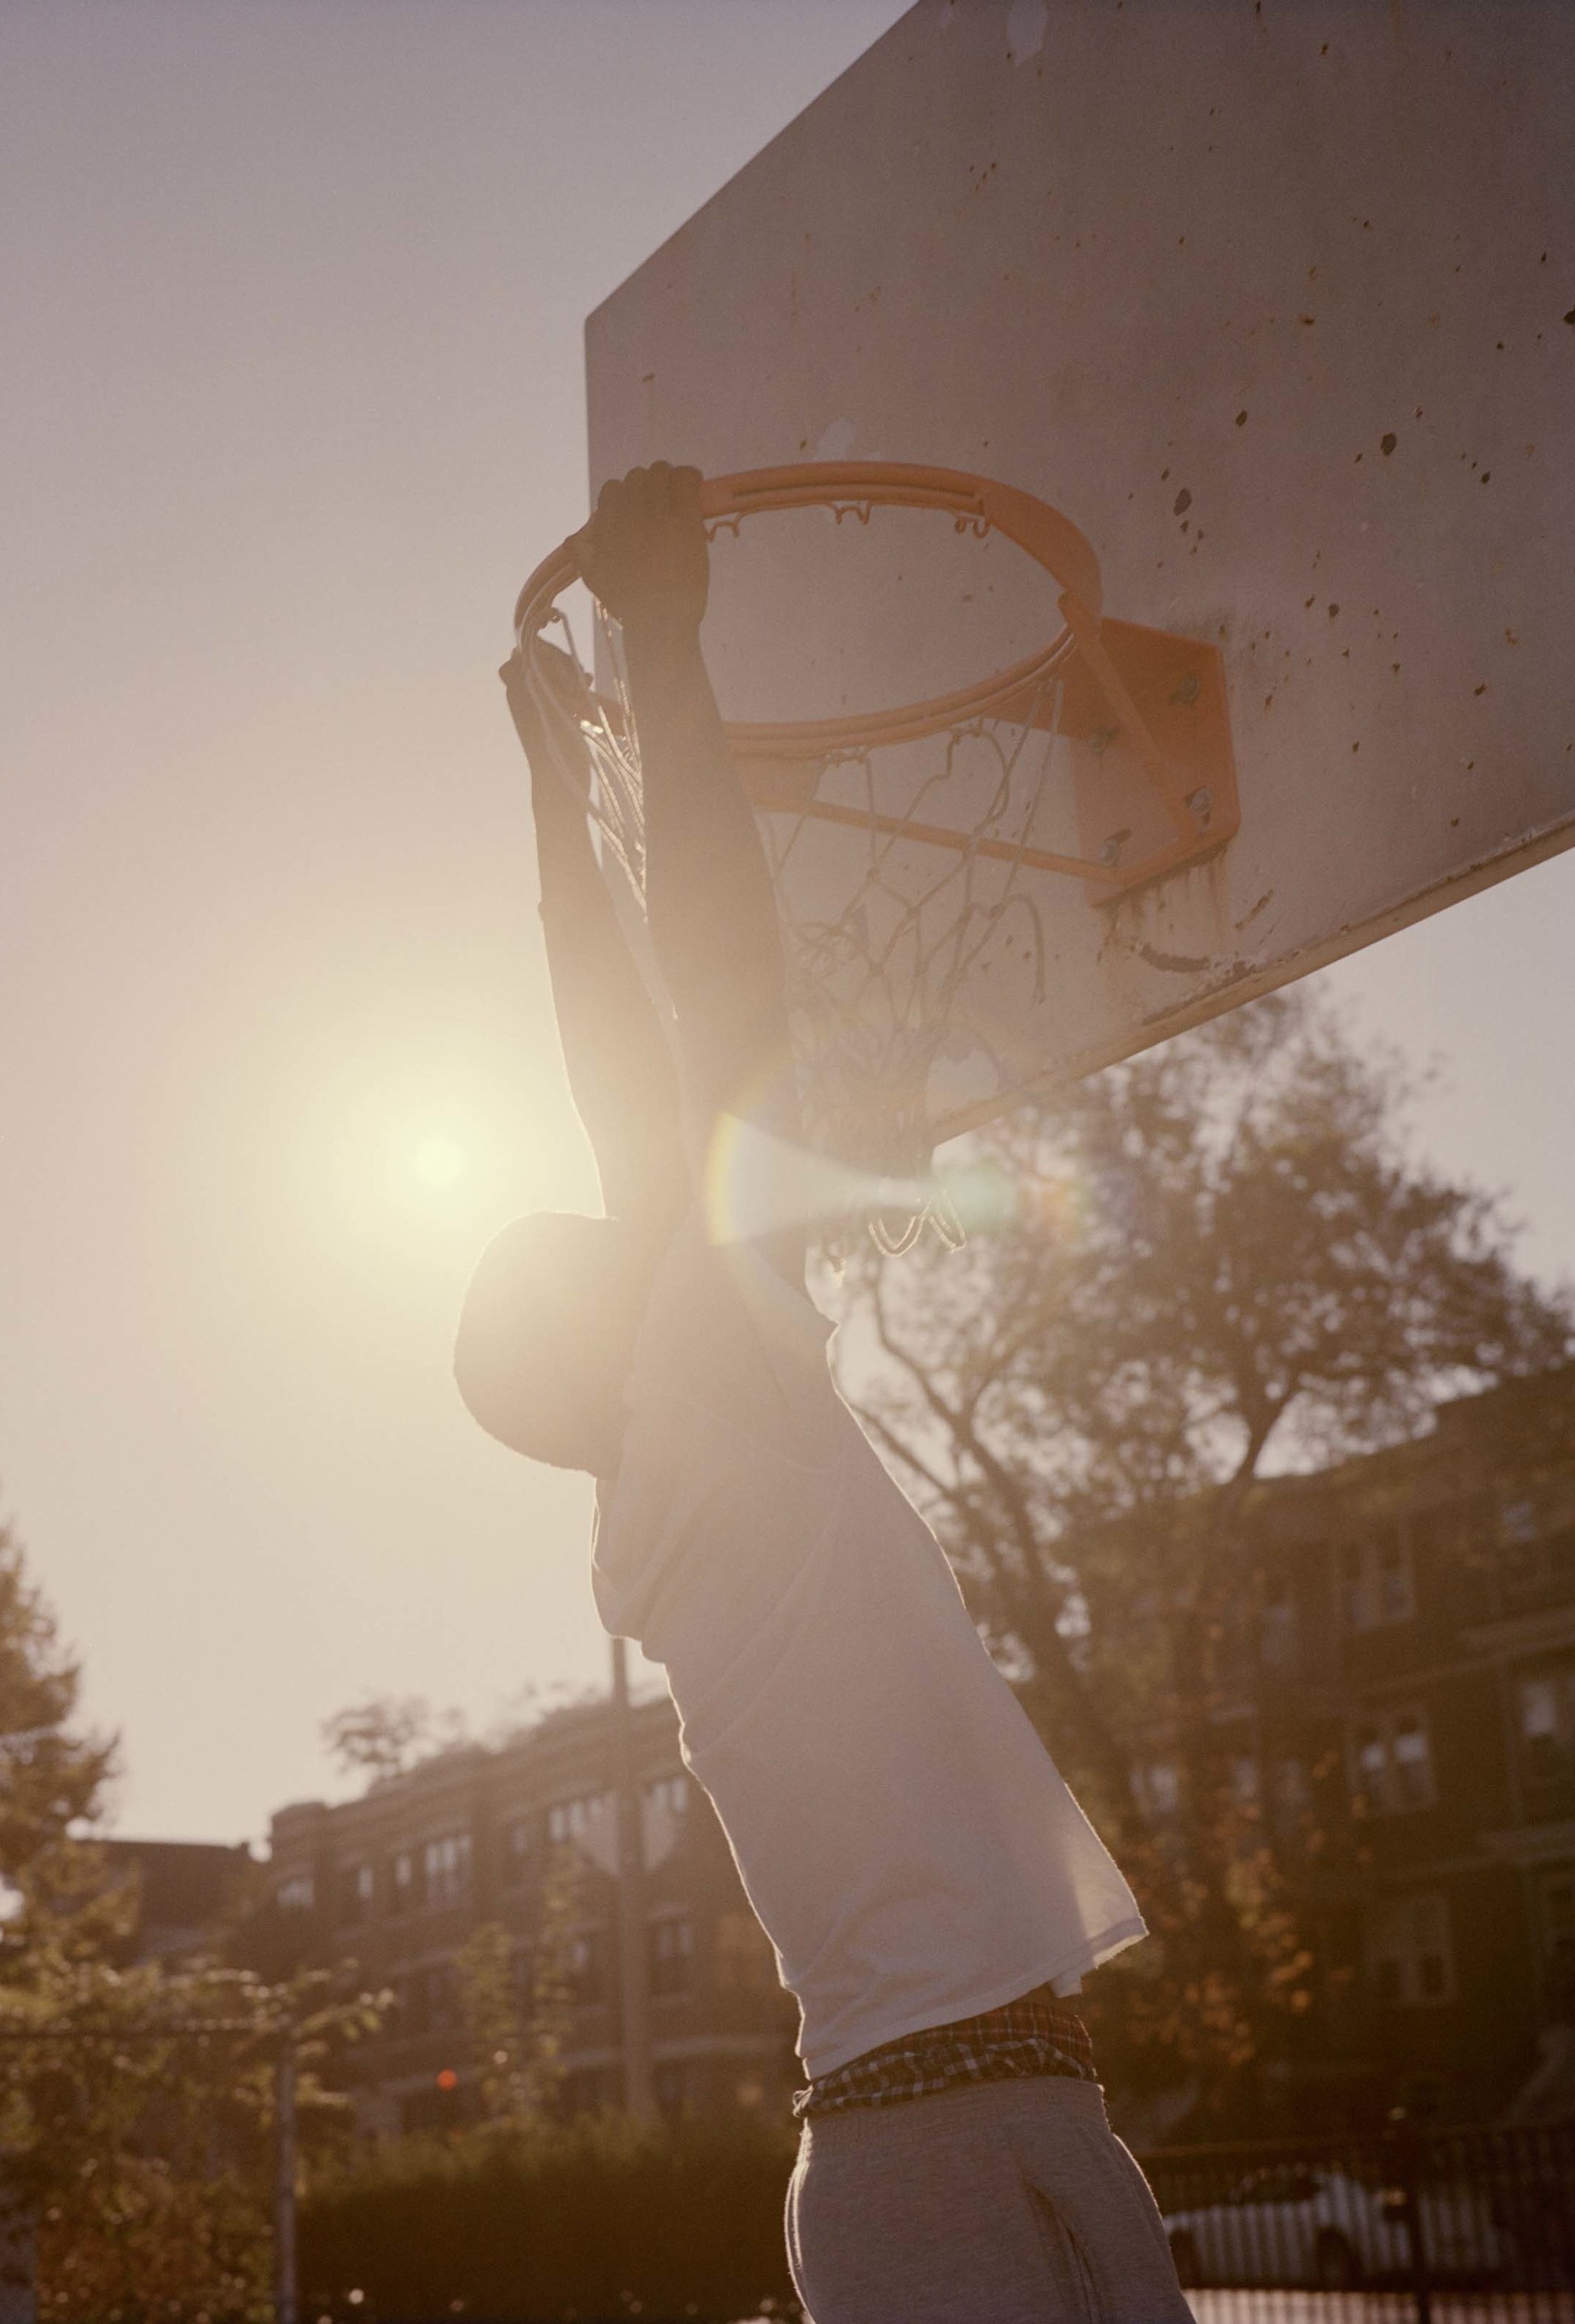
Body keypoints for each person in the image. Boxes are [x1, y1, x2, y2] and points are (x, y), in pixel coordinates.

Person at [457, 463, 1193, 2323]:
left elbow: (635, 1047)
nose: (641, 1218)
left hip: (978, 2127)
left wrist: (564, 786)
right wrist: (665, 658)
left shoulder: (694, 1454)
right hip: (936, 2153)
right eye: (601, 1233)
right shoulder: (696, 1408)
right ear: (601, 1337)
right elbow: (690, 1012)